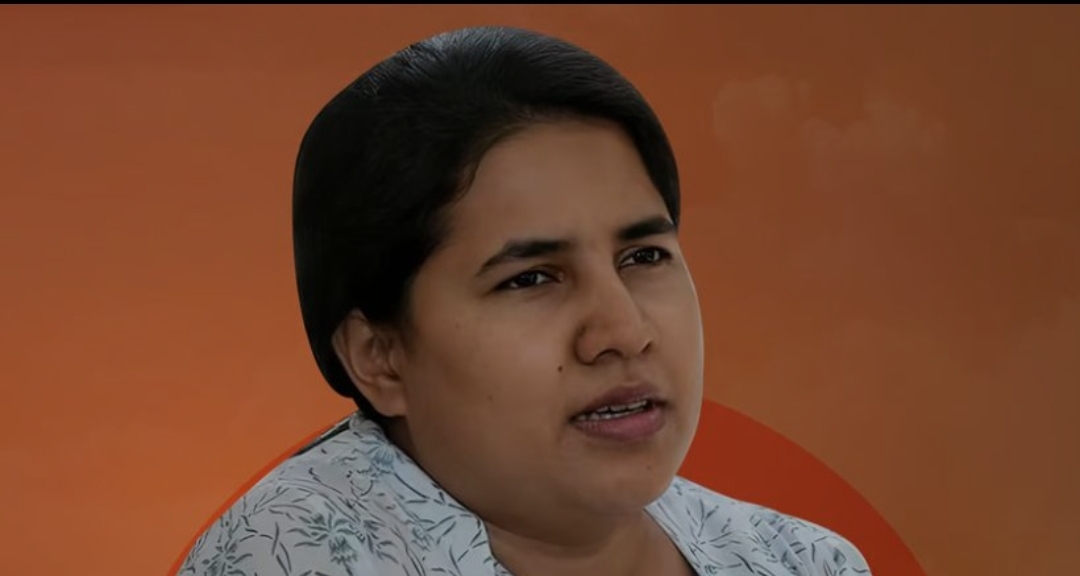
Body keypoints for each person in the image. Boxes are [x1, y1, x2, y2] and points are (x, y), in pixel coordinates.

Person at [177, 25, 872, 576]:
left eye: (644, 257)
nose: (624, 330)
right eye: (531, 278)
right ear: (380, 357)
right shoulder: (293, 553)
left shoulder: (801, 561)